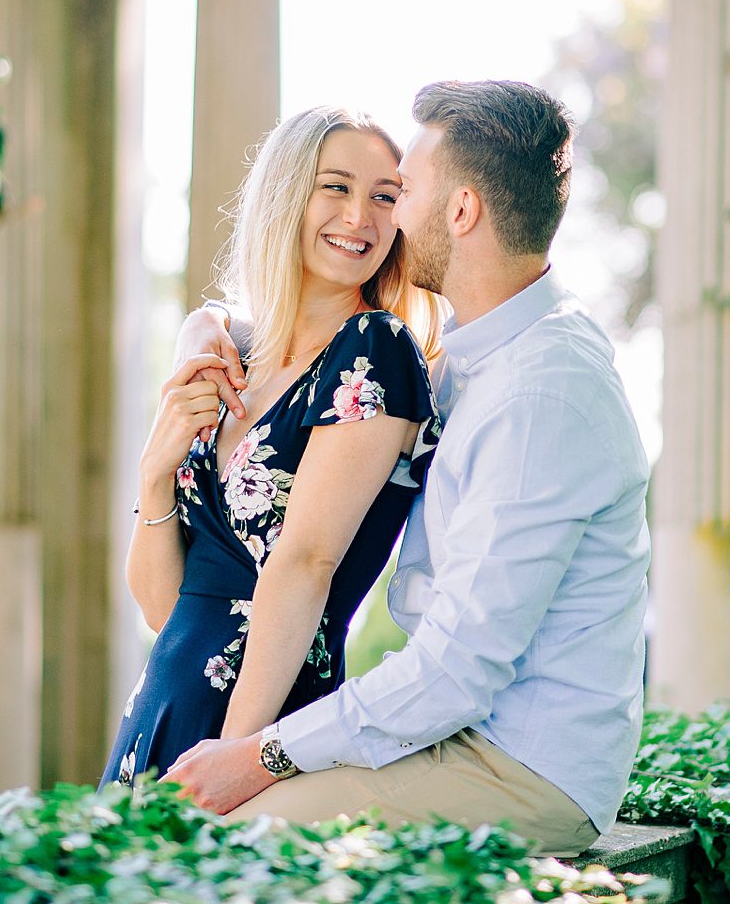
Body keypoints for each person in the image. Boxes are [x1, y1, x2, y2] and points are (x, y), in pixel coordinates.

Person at [160, 80, 651, 856]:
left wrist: (257, 754)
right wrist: (205, 325)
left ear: (459, 211)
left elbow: (455, 671)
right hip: (458, 735)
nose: (384, 216)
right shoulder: (482, 353)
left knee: (219, 839)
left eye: (402, 190)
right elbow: (279, 339)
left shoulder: (539, 394)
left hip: (516, 765)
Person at [101, 106, 440, 789]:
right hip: (160, 715)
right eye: (337, 187)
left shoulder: (376, 351)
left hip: (259, 730)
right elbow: (165, 607)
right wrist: (154, 473)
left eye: (385, 196)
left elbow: (308, 562)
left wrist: (232, 757)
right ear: (286, 193)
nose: (360, 217)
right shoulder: (232, 356)